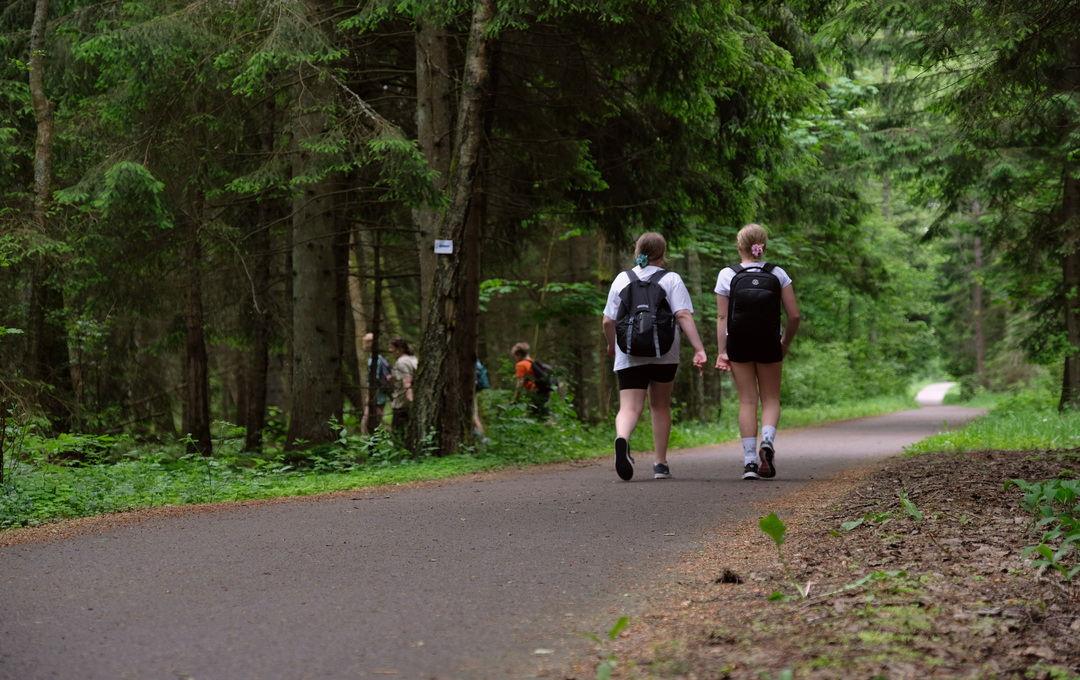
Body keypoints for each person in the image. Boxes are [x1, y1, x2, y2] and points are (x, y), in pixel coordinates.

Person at [602, 232, 708, 481]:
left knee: (629, 407)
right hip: (665, 353)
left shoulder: (622, 279)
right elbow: (683, 315)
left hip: (628, 352)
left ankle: (622, 439)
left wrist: (612, 345)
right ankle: (660, 464)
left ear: (637, 252)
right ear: (663, 254)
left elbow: (608, 320)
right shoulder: (671, 279)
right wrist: (699, 348)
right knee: (660, 406)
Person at [714, 223, 801, 480]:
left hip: (738, 342)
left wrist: (722, 351)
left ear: (739, 246)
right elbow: (794, 316)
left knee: (747, 401)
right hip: (769, 341)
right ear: (763, 246)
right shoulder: (778, 273)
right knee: (770, 399)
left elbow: (722, 317)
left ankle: (750, 462)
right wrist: (784, 344)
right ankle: (768, 440)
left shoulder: (727, 274)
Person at [360, 332, 393, 433]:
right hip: (381, 392)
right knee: (377, 417)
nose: (363, 345)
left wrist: (370, 395)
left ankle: (366, 438)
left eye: (365, 342)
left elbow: (375, 379)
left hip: (377, 393)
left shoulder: (374, 360)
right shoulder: (380, 358)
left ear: (370, 343)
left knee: (366, 419)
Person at [510, 342, 550, 417]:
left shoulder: (521, 365)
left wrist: (515, 398)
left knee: (536, 415)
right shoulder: (532, 362)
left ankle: (555, 424)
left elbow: (520, 383)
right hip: (544, 390)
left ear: (518, 354)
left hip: (534, 392)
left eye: (515, 355)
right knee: (541, 414)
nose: (515, 358)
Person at [388, 337, 418, 435]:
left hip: (402, 403)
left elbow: (407, 381)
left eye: (392, 347)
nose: (390, 350)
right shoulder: (412, 359)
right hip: (410, 401)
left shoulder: (402, 362)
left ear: (399, 349)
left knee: (397, 432)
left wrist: (411, 400)